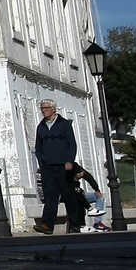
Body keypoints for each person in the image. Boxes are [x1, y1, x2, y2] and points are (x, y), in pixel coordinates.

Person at [33, 99, 83, 235]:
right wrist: (42, 162)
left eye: (46, 108)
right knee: (50, 196)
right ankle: (47, 225)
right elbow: (38, 147)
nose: (44, 110)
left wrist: (69, 161)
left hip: (63, 166)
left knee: (68, 195)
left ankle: (75, 225)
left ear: (54, 109)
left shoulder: (64, 124)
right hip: (47, 167)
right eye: (42, 108)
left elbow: (71, 144)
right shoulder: (41, 127)